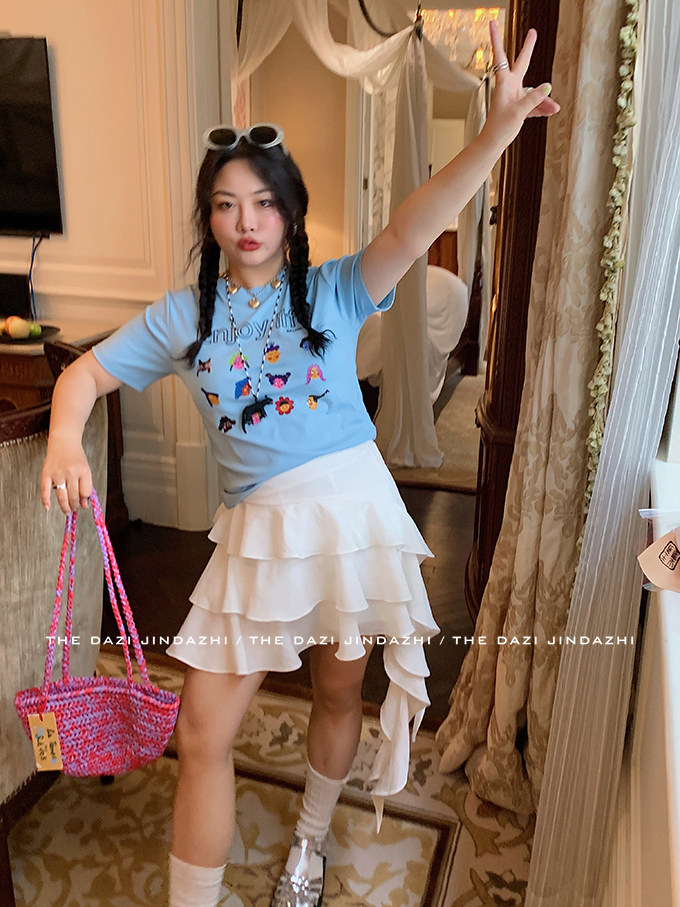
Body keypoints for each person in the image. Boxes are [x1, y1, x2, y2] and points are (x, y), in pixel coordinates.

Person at [41, 22, 558, 907]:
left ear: (289, 211)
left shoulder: (333, 289)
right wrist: (62, 434)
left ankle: (308, 846)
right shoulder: (183, 317)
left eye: (263, 203)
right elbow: (83, 374)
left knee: (337, 692)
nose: (246, 222)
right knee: (202, 732)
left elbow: (413, 222)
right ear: (208, 217)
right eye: (226, 204)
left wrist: (496, 133)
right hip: (258, 530)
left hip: (350, 516)